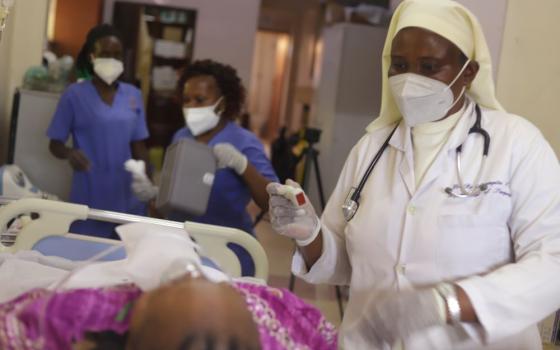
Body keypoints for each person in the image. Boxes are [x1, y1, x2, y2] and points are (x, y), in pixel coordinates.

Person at [267, 0, 560, 349]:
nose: (410, 80)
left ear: (468, 72)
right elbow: (342, 263)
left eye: (429, 66)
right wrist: (309, 233)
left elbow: (552, 264)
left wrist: (451, 303)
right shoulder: (371, 148)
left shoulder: (515, 144)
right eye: (400, 65)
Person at [0, 223, 337, 350]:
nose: (189, 270)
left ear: (136, 302)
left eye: (174, 286)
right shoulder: (286, 315)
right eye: (203, 277)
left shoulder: (68, 315)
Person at [132, 59, 278, 276]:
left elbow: (272, 203)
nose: (191, 107)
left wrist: (242, 165)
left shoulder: (244, 141)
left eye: (200, 100)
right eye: (187, 100)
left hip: (228, 253)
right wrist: (154, 195)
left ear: (223, 103)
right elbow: (167, 207)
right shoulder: (181, 137)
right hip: (182, 249)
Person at [47, 24, 150, 239]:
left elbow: (139, 146)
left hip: (127, 194)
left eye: (117, 55)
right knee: (84, 255)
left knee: (125, 261)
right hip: (90, 193)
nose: (112, 59)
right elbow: (55, 143)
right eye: (105, 54)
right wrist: (69, 153)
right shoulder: (74, 95)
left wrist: (148, 182)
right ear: (92, 56)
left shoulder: (133, 95)